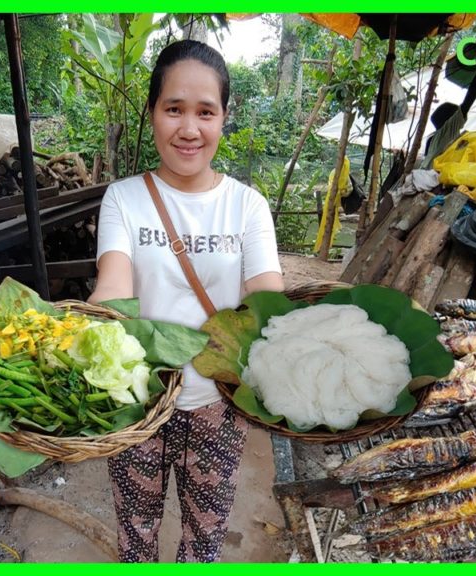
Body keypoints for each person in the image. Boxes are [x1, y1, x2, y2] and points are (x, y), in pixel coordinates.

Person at [88, 39, 284, 562]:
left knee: (204, 543)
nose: (189, 129)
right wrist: (74, 335)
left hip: (219, 407)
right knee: (137, 541)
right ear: (153, 112)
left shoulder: (247, 206)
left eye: (205, 112)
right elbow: (113, 286)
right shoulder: (124, 199)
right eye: (174, 109)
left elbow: (267, 298)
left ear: (223, 119)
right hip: (137, 405)